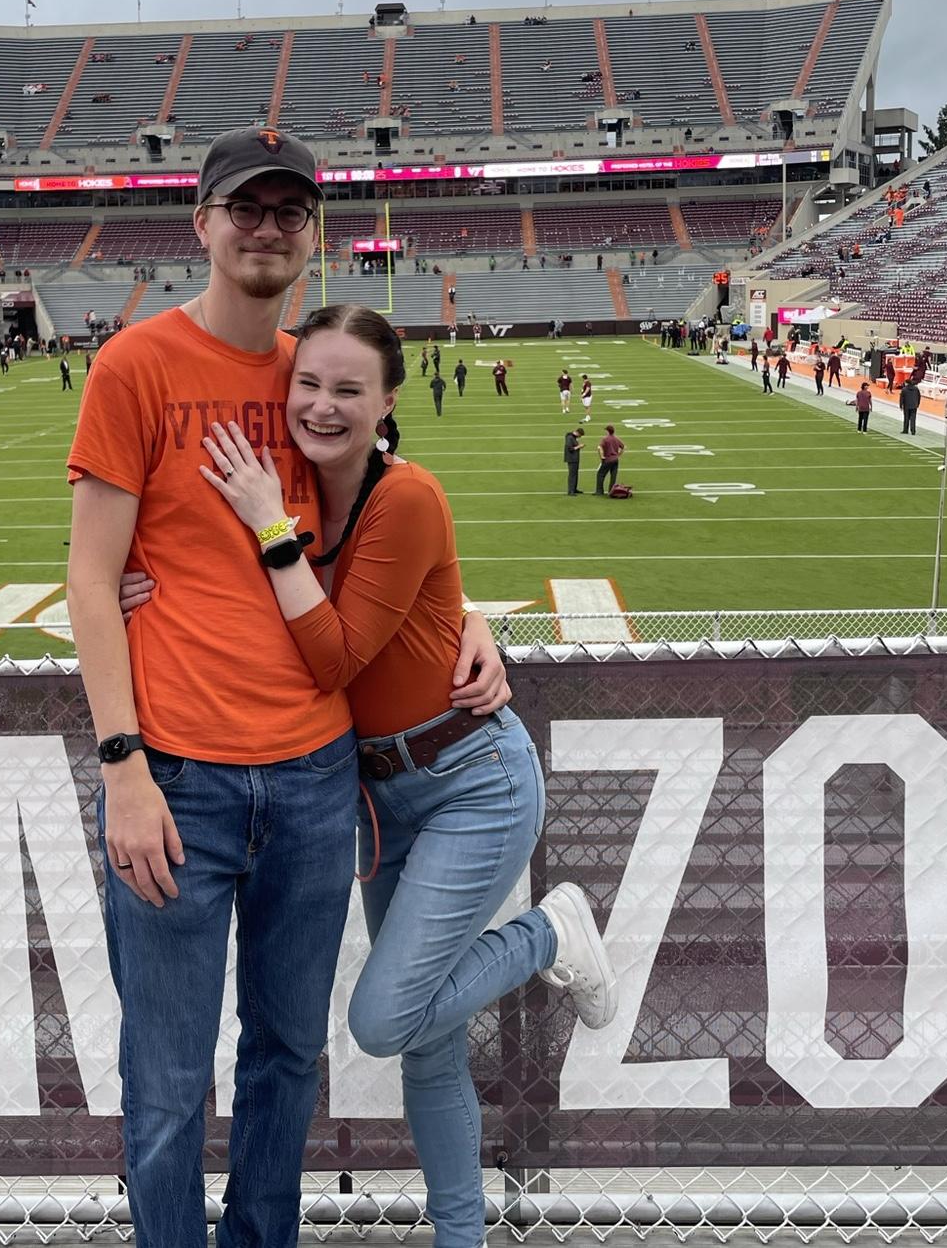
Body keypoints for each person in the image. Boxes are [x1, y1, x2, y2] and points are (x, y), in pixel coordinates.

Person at [64, 127, 509, 1248]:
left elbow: (392, 519)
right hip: (180, 778)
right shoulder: (136, 366)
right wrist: (123, 767)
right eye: (244, 208)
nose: (265, 228)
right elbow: (87, 570)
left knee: (283, 1063)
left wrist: (474, 619)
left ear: (311, 237)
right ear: (202, 224)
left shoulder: (317, 371)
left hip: (315, 779)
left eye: (288, 211)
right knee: (165, 1084)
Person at [184, 305, 614, 1248]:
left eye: (349, 389)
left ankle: (551, 934)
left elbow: (335, 657)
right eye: (310, 384)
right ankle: (463, 1238)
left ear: (386, 402)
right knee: (427, 1046)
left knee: (385, 1019)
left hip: (469, 776)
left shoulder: (399, 495)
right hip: (378, 795)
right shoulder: (289, 487)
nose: (324, 405)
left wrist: (268, 528)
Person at [595, 425, 625, 496]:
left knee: (600, 474)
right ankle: (611, 491)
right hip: (615, 460)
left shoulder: (605, 439)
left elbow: (600, 448)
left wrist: (602, 457)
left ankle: (599, 491)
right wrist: (618, 455)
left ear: (607, 431)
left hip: (608, 459)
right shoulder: (616, 438)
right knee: (613, 476)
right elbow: (623, 447)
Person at [564, 426, 583, 495]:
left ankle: (574, 489)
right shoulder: (570, 438)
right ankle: (570, 491)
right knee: (572, 475)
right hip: (571, 459)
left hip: (575, 459)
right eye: (580, 435)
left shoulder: (573, 437)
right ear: (577, 433)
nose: (580, 437)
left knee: (575, 474)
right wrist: (579, 446)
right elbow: (570, 448)